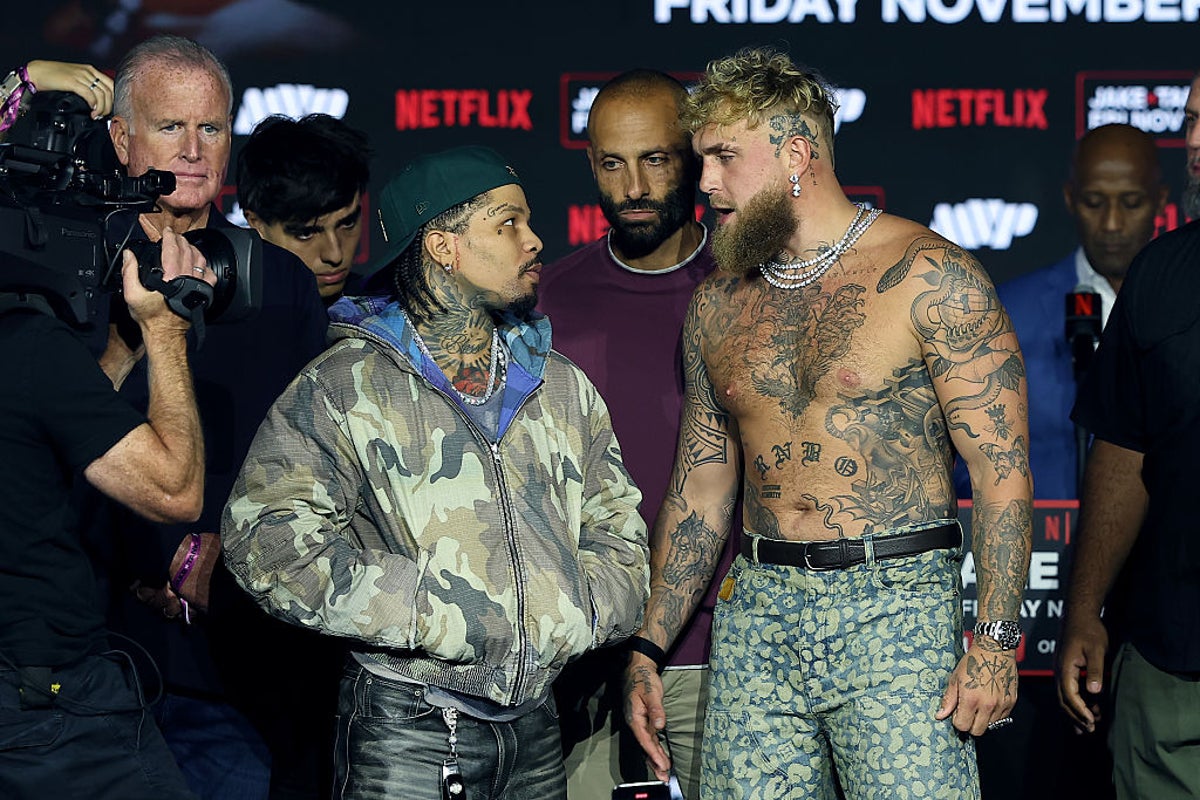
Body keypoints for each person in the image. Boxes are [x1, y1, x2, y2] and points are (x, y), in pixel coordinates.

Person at [621, 46, 1033, 799]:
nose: (704, 183)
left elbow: (1002, 470)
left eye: (722, 157)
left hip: (897, 608)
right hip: (758, 617)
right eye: (700, 159)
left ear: (796, 156)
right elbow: (703, 490)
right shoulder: (718, 304)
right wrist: (649, 644)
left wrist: (998, 641)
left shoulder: (929, 274)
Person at [221, 144, 650, 800]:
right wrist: (435, 613)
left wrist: (573, 610)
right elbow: (268, 543)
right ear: (445, 247)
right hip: (408, 729)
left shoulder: (559, 385)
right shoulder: (346, 386)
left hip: (537, 726)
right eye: (507, 224)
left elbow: (619, 532)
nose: (534, 241)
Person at [98, 33, 331, 800]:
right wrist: (161, 552)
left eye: (213, 128)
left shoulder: (280, 283)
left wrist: (217, 559)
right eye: (172, 127)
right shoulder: (72, 275)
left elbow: (311, 458)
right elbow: (49, 442)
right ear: (121, 137)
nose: (195, 150)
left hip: (235, 661)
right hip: (93, 654)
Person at [1, 59, 213, 800]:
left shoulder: (32, 356)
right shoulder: (27, 346)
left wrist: (118, 350)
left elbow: (58, 431)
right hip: (50, 709)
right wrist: (162, 331)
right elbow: (174, 488)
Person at [537, 68, 736, 800]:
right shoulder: (548, 299)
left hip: (722, 658)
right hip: (585, 663)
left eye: (654, 159)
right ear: (591, 164)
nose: (635, 187)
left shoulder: (749, 288)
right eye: (613, 164)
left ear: (690, 156)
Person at [1056, 71, 1200, 800]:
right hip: (1173, 656)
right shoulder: (1162, 275)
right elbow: (1121, 451)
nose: (1195, 143)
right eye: (1194, 121)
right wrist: (1084, 609)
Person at [953, 123, 1166, 502]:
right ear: (1070, 199)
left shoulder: (1186, 306)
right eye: (1094, 203)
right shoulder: (1007, 315)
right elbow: (964, 467)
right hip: (1038, 551)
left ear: (1160, 200)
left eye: (1131, 202)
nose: (1112, 223)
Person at [237, 112, 371, 304]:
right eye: (306, 234)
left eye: (348, 223)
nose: (335, 255)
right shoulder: (217, 324)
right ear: (256, 224)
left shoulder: (390, 314)